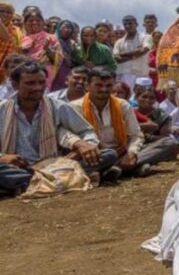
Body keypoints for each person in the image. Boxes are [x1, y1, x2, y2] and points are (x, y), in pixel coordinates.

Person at [0, 61, 118, 195]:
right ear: (15, 85)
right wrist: (3, 157)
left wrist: (85, 147)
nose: (38, 88)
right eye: (30, 83)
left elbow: (87, 131)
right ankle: (56, 180)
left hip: (56, 164)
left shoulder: (58, 106)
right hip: (19, 168)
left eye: (41, 82)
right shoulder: (2, 109)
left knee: (109, 154)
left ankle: (29, 184)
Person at [73, 67, 175, 179]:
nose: (104, 89)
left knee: (169, 143)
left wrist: (131, 153)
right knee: (109, 155)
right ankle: (132, 168)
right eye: (99, 85)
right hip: (96, 155)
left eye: (108, 86)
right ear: (87, 86)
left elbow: (135, 134)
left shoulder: (123, 105)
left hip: (122, 151)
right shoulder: (75, 107)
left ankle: (119, 168)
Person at [20, 6, 62, 87]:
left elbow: (59, 59)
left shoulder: (51, 38)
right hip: (25, 73)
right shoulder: (20, 38)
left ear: (43, 23)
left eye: (38, 20)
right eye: (30, 21)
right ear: (25, 23)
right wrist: (24, 52)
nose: (34, 23)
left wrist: (48, 49)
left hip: (46, 74)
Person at [113, 15, 153, 89]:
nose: (128, 26)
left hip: (140, 74)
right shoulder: (119, 42)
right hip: (123, 75)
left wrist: (122, 54)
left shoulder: (145, 37)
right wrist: (135, 55)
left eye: (130, 23)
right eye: (125, 24)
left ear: (136, 24)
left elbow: (144, 50)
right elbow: (117, 58)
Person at [49, 20, 84, 92]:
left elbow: (77, 59)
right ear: (59, 28)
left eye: (69, 28)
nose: (66, 30)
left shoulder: (72, 43)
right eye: (64, 27)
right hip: (53, 69)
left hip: (66, 71)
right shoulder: (52, 40)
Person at [0, 1, 22, 85]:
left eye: (9, 12)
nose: (5, 14)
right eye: (1, 11)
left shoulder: (17, 31)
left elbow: (6, 38)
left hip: (6, 70)